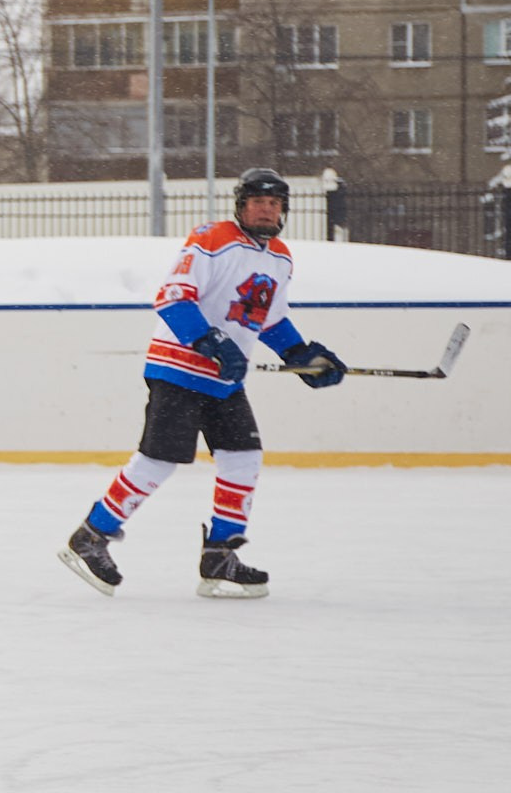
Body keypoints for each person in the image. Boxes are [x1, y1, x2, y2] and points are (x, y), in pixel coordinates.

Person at [59, 168, 346, 600]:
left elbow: (266, 317)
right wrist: (209, 339)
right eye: (257, 202)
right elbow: (173, 297)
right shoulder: (212, 238)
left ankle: (220, 555)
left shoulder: (280, 256)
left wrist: (301, 355)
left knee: (244, 457)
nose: (266, 210)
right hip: (178, 368)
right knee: (158, 460)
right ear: (240, 205)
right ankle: (91, 536)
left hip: (223, 380)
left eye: (275, 204)